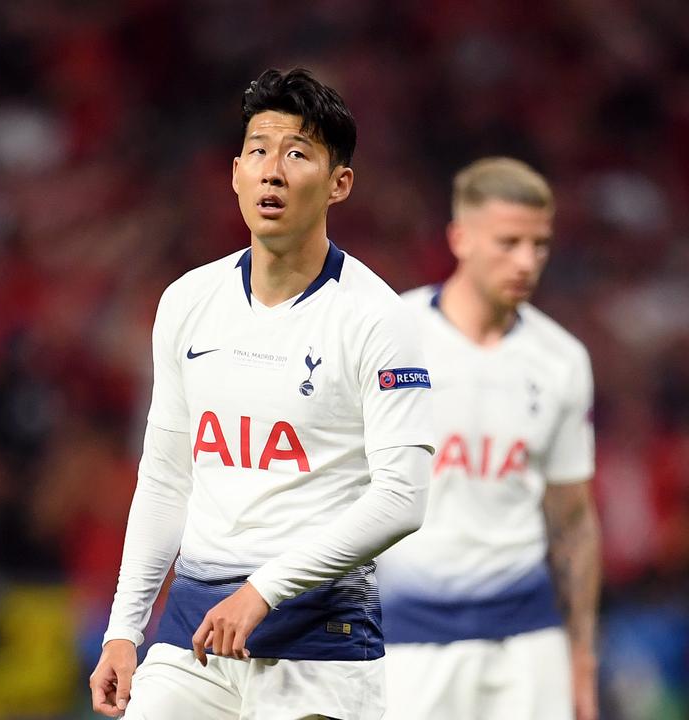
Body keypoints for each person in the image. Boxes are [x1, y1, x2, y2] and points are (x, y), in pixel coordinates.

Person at [89, 68, 435, 720]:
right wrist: (123, 629)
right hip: (193, 641)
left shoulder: (377, 319)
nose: (272, 170)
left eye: (297, 152)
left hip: (318, 648)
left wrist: (262, 591)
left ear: (340, 184)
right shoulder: (188, 302)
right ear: (235, 173)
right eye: (259, 150)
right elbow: (167, 479)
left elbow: (403, 498)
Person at [375, 157, 600, 720]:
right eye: (509, 242)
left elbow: (573, 520)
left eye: (539, 244)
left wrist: (582, 655)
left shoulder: (562, 360)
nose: (527, 261)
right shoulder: (390, 337)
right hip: (405, 637)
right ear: (461, 238)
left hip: (527, 639)